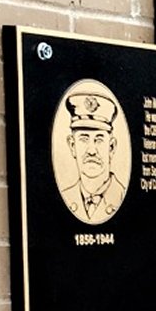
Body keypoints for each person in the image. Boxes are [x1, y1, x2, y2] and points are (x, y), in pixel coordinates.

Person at [60, 93, 127, 223]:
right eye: (84, 139)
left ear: (111, 147)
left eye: (99, 140)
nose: (91, 151)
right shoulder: (65, 198)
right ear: (72, 146)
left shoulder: (122, 197)